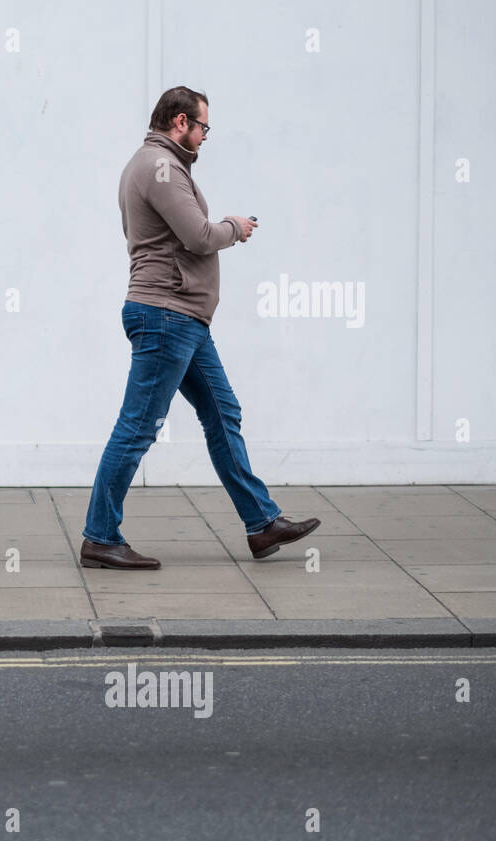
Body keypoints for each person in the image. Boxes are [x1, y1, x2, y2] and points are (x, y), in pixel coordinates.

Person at [81, 87, 317, 570]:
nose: (206, 137)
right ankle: (100, 537)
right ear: (181, 122)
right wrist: (235, 226)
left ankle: (261, 523)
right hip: (165, 314)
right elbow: (198, 236)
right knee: (137, 427)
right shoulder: (161, 168)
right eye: (204, 127)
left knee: (222, 412)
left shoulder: (158, 164)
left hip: (181, 317)